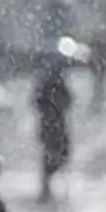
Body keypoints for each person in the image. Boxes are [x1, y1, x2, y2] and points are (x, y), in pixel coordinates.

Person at [33, 61, 74, 203]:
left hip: (52, 125)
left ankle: (47, 183)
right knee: (54, 153)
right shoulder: (52, 86)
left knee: (54, 153)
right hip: (52, 125)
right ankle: (47, 184)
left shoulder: (48, 86)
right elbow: (68, 102)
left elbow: (67, 102)